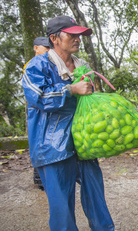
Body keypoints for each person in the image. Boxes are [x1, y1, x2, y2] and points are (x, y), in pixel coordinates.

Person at [22, 15, 114, 231]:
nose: (78, 39)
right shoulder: (38, 64)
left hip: (83, 143)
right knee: (62, 208)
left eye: (79, 35)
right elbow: (36, 96)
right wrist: (70, 89)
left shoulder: (81, 67)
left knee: (96, 198)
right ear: (54, 38)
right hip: (52, 147)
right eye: (72, 34)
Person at [23, 37, 51, 191]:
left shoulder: (45, 63)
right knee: (38, 143)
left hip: (43, 109)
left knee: (44, 143)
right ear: (36, 48)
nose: (48, 50)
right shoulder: (32, 65)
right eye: (44, 47)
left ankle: (41, 178)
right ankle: (39, 179)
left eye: (49, 47)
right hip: (36, 109)